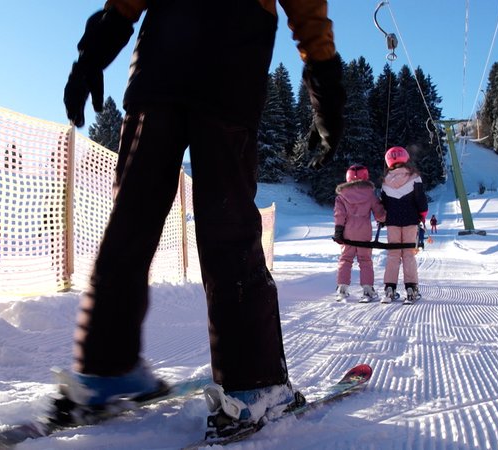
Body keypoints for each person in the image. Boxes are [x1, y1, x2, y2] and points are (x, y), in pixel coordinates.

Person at [58, 0, 345, 439]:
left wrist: (91, 57)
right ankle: (255, 385)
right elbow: (308, 12)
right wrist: (326, 96)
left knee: (130, 225)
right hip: (230, 74)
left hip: (157, 75)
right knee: (228, 229)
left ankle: (102, 371)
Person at [379, 146, 428, 304]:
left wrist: (384, 218)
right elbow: (421, 200)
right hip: (410, 221)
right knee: (408, 254)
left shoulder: (385, 181)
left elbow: (384, 204)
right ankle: (411, 288)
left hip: (392, 222)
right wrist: (422, 215)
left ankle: (389, 288)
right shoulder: (414, 177)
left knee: (393, 255)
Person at [332, 164, 386, 303]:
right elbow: (379, 214)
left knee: (345, 259)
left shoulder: (341, 196)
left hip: (347, 232)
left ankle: (342, 288)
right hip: (364, 232)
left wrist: (338, 231)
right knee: (365, 260)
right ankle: (367, 289)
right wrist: (383, 217)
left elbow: (339, 214)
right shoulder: (370, 194)